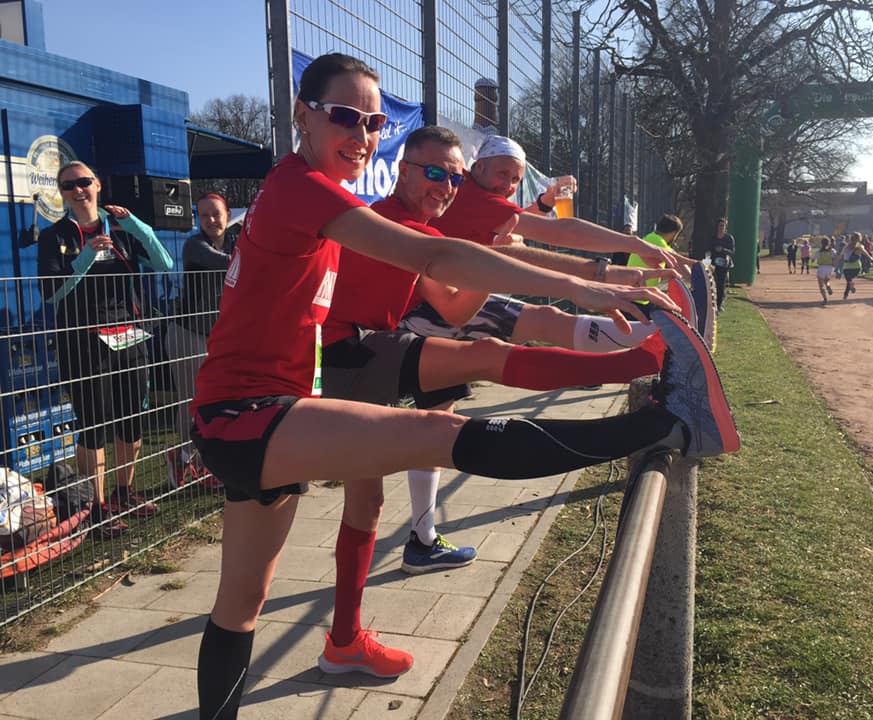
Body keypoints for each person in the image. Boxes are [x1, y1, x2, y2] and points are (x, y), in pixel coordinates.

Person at [190, 53, 739, 719]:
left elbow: (497, 256)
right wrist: (584, 285)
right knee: (438, 430)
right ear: (302, 116)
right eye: (345, 117)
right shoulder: (305, 189)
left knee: (242, 605)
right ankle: (664, 421)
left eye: (372, 123)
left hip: (268, 404)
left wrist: (603, 273)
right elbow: (444, 257)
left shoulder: (321, 192)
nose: (362, 135)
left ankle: (336, 644)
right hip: (247, 411)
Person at [401, 134, 695, 352]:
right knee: (530, 328)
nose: (507, 186)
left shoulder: (473, 193)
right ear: (478, 168)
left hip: (442, 292)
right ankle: (657, 346)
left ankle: (654, 344)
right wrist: (634, 246)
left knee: (536, 317)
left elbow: (519, 226)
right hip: (423, 304)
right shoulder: (473, 196)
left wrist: (545, 202)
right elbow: (560, 231)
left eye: (515, 179)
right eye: (502, 174)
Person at [37, 161, 173, 538]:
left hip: (127, 336)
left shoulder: (121, 228)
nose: (78, 190)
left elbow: (164, 262)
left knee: (132, 417)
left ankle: (123, 493)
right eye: (69, 186)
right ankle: (95, 508)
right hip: (82, 341)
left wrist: (136, 225)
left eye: (84, 182)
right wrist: (85, 257)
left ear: (97, 184)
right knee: (94, 424)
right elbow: (51, 293)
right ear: (62, 194)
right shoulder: (55, 236)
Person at [163, 192, 234, 489]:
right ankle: (182, 457)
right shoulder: (195, 244)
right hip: (187, 333)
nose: (211, 220)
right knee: (192, 400)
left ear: (228, 215)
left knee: (217, 399)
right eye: (204, 215)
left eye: (216, 214)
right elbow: (226, 264)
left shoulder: (236, 242)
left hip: (216, 335)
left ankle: (206, 463)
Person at [709, 218, 736, 311]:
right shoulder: (713, 238)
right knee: (712, 284)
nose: (721, 228)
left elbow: (732, 252)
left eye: (722, 226)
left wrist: (723, 250)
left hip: (724, 265)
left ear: (725, 227)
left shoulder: (729, 238)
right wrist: (707, 262)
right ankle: (711, 303)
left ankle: (719, 305)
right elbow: (708, 251)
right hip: (713, 264)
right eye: (719, 226)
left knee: (721, 285)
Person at [840, 232, 873, 299]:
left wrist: (836, 262)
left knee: (849, 280)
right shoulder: (860, 247)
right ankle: (846, 294)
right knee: (850, 281)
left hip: (847, 267)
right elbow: (865, 253)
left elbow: (841, 256)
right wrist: (871, 258)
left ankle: (847, 292)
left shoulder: (846, 247)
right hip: (857, 267)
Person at [814, 236, 836, 304]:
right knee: (826, 281)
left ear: (821, 243)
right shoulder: (832, 250)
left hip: (821, 267)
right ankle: (828, 286)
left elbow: (813, 259)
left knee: (821, 285)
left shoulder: (819, 251)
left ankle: (825, 299)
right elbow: (835, 258)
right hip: (829, 268)